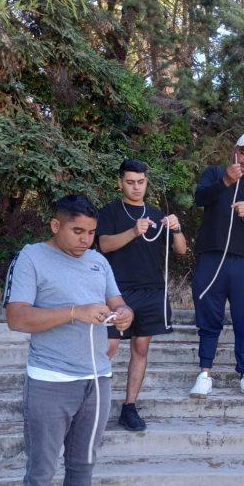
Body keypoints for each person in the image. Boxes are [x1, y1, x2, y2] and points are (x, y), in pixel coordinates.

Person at [4, 195, 133, 486]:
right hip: (50, 382)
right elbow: (17, 318)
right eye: (77, 231)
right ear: (55, 225)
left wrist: (125, 314)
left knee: (83, 465)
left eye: (91, 232)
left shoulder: (98, 261)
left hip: (97, 380)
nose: (85, 239)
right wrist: (74, 311)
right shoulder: (31, 257)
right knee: (41, 472)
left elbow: (118, 302)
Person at [96, 159, 187, 431]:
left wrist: (177, 228)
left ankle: (129, 407)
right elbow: (104, 244)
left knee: (141, 347)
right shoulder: (110, 211)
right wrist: (134, 231)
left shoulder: (156, 214)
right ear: (120, 183)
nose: (136, 187)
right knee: (109, 347)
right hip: (117, 291)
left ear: (147, 182)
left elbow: (181, 250)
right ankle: (89, 404)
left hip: (151, 291)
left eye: (141, 182)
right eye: (130, 182)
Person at [189, 133, 244, 399]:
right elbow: (200, 198)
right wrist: (225, 181)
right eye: (243, 152)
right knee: (208, 318)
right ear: (234, 150)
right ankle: (205, 374)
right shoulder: (214, 173)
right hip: (212, 258)